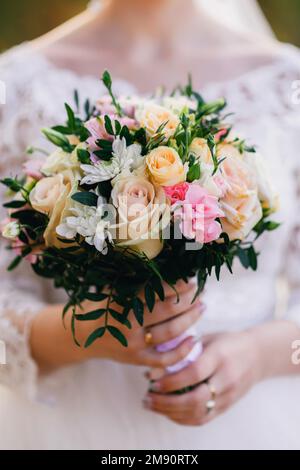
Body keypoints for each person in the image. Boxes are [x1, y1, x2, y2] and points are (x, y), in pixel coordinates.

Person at [0, 0, 300, 450]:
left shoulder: (287, 81)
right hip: (74, 426)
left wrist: (258, 355)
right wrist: (83, 333)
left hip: (253, 422)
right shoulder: (16, 82)